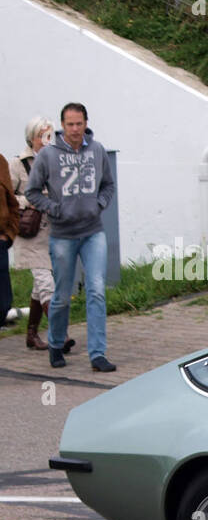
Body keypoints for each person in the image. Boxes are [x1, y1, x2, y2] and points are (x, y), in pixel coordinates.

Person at [24, 103, 116, 370]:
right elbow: (32, 192)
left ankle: (97, 354)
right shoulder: (48, 155)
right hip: (62, 235)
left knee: (96, 290)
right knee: (62, 294)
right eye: (70, 124)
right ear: (62, 125)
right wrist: (54, 209)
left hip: (92, 232)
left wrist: (98, 204)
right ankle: (55, 343)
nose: (75, 129)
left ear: (86, 123)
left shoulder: (96, 150)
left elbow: (108, 184)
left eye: (79, 124)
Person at [9, 117, 64, 352]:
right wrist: (29, 202)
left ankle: (31, 334)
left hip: (52, 233)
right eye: (42, 135)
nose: (46, 140)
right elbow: (7, 198)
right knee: (45, 282)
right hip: (29, 235)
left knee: (39, 285)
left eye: (49, 135)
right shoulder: (17, 164)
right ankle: (59, 335)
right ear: (32, 137)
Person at [0, 149, 17, 331]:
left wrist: (9, 234)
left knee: (3, 298)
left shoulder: (1, 162)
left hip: (0, 239)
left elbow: (12, 201)